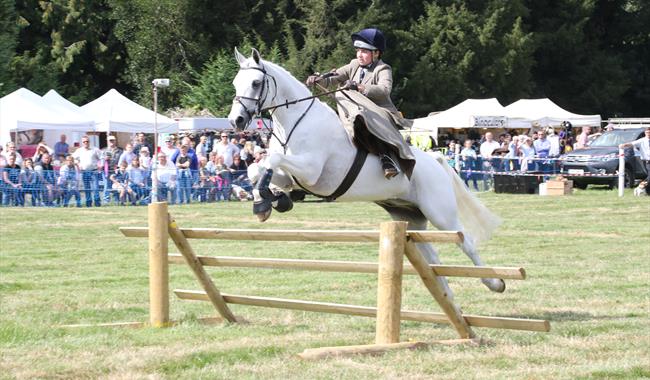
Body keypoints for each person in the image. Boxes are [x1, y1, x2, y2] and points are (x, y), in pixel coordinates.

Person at [306, 27, 414, 179]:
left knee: (355, 109)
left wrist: (360, 87)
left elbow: (384, 90)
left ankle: (386, 158)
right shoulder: (353, 64)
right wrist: (318, 78)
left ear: (376, 53)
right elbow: (333, 78)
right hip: (356, 112)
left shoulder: (383, 68)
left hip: (380, 113)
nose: (359, 55)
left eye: (364, 51)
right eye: (358, 50)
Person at [72, 136, 102, 207]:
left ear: (89, 142)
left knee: (95, 188)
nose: (86, 143)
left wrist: (101, 165)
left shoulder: (95, 149)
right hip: (84, 172)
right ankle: (89, 204)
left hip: (94, 171)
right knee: (87, 189)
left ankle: (97, 203)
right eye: (84, 142)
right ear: (82, 142)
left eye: (87, 141)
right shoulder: (79, 150)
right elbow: (72, 158)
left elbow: (102, 157)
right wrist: (77, 163)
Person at [620, 127, 650, 195]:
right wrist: (624, 145)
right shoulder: (642, 140)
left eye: (649, 133)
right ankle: (640, 186)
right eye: (647, 132)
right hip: (647, 161)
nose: (648, 134)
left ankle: (647, 192)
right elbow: (632, 143)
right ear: (645, 133)